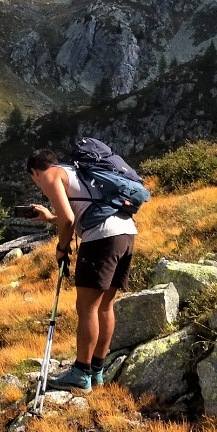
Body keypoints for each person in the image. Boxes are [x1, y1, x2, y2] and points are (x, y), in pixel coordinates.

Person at [26, 147, 137, 391]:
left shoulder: (50, 175)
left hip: (101, 238)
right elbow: (77, 211)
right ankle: (96, 372)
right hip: (126, 234)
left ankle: (80, 373)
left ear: (35, 172)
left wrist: (62, 248)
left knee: (87, 308)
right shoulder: (75, 171)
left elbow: (68, 219)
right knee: (105, 306)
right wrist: (50, 218)